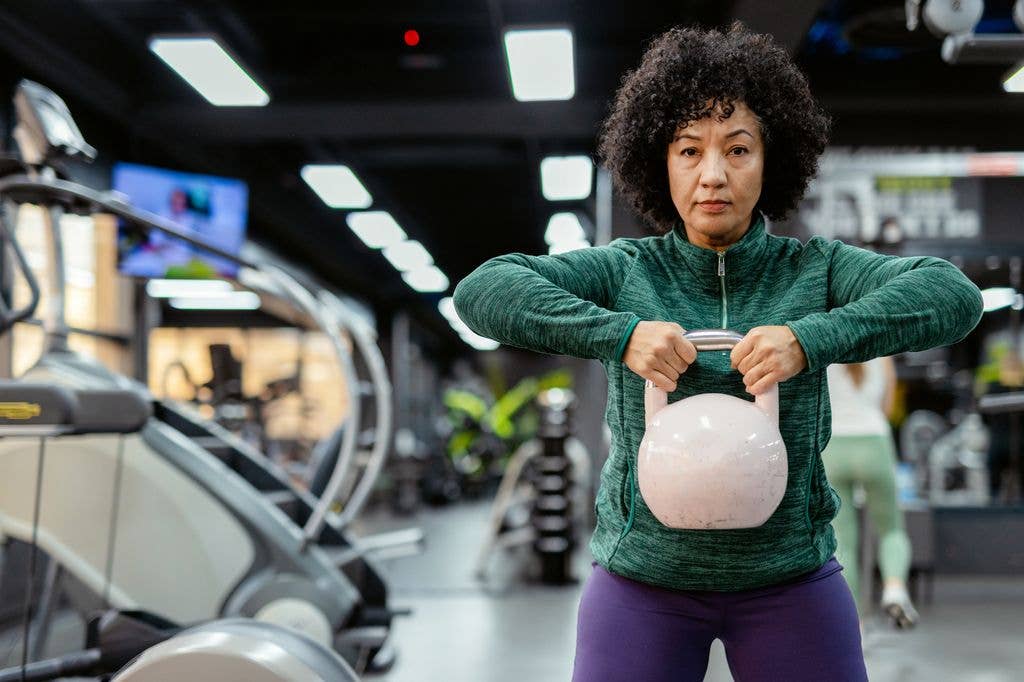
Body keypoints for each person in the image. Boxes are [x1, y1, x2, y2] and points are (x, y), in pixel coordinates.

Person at [453, 23, 982, 682]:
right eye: (688, 150)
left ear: (771, 158)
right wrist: (620, 334)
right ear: (659, 161)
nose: (713, 175)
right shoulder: (627, 271)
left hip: (789, 581)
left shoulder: (813, 270)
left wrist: (810, 339)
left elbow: (952, 296)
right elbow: (483, 291)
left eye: (737, 149)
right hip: (643, 585)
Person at [824, 357, 919, 629]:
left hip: (833, 445)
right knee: (891, 529)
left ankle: (854, 620)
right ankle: (895, 589)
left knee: (842, 540)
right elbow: (888, 407)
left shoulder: (826, 347)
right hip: (874, 441)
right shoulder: (883, 356)